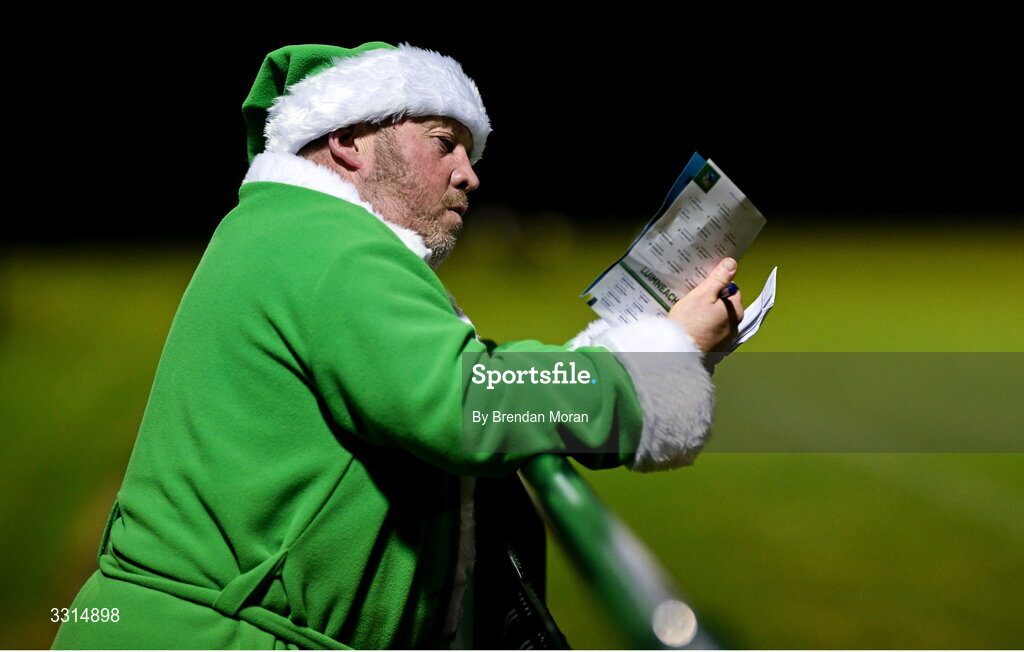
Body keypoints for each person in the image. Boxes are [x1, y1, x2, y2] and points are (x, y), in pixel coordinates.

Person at [52, 42, 744, 649]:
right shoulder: (327, 240)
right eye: (445, 142)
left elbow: (444, 384)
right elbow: (462, 399)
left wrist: (633, 348)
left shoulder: (285, 232)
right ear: (349, 139)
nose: (470, 174)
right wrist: (654, 368)